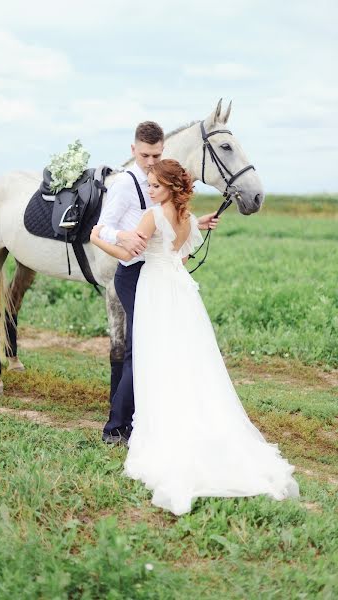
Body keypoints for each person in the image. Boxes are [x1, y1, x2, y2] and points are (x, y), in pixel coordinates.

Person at [90, 159, 299, 516]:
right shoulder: (187, 219)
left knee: (154, 358)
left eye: (155, 185)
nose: (150, 190)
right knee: (186, 357)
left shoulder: (153, 216)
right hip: (180, 290)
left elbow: (127, 254)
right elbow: (182, 258)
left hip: (155, 289)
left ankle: (161, 427)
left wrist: (97, 236)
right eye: (150, 185)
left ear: (170, 187)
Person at [98, 121, 219, 445]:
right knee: (140, 350)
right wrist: (122, 235)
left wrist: (195, 223)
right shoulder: (125, 184)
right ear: (133, 150)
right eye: (146, 155)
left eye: (157, 155)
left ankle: (140, 419)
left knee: (154, 348)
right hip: (134, 271)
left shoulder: (164, 192)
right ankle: (118, 426)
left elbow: (170, 228)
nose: (151, 162)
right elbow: (105, 227)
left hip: (157, 274)